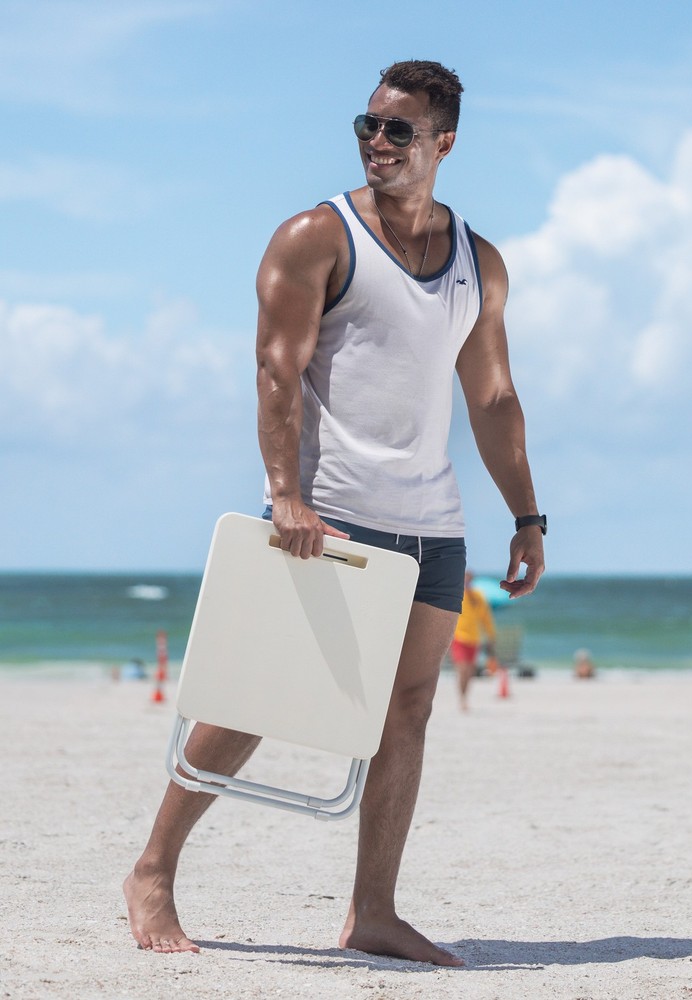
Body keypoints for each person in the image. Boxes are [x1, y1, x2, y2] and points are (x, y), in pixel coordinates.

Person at [123, 60, 545, 969]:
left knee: (411, 708)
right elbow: (278, 367)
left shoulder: (481, 262)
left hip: (432, 524)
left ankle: (373, 912)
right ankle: (153, 868)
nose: (378, 141)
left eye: (400, 130)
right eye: (368, 125)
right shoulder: (318, 236)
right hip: (332, 513)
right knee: (257, 700)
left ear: (445, 143)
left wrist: (527, 516)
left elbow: (495, 396)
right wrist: (285, 494)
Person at [450, 571, 497, 710]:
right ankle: (462, 698)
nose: (467, 582)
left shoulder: (478, 596)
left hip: (475, 639)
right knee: (462, 670)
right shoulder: (456, 594)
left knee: (470, 672)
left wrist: (491, 636)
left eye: (469, 579)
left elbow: (486, 618)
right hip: (459, 637)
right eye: (465, 579)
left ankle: (465, 697)